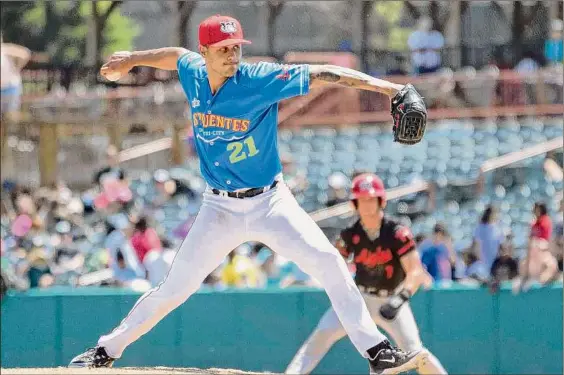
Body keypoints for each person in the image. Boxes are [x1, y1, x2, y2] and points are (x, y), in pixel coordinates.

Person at [69, 14, 425, 374]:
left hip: (270, 203)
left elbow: (323, 73)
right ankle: (105, 350)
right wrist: (132, 58)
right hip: (218, 208)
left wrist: (390, 90)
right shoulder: (193, 71)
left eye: (236, 47)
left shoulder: (258, 79)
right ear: (204, 52)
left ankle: (377, 353)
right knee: (173, 289)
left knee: (330, 265)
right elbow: (175, 54)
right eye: (223, 49)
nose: (232, 55)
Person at [285, 173, 446, 375]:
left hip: (392, 299)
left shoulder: (397, 232)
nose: (367, 204)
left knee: (415, 352)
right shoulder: (350, 233)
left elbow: (415, 271)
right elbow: (335, 265)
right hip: (360, 299)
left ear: (381, 201)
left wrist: (400, 299)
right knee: (322, 334)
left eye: (371, 199)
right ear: (354, 203)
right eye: (362, 199)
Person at [470, 205, 505, 272]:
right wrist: (479, 257)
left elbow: (501, 244)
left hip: (494, 259)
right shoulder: (480, 227)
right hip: (483, 258)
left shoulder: (497, 228)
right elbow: (477, 243)